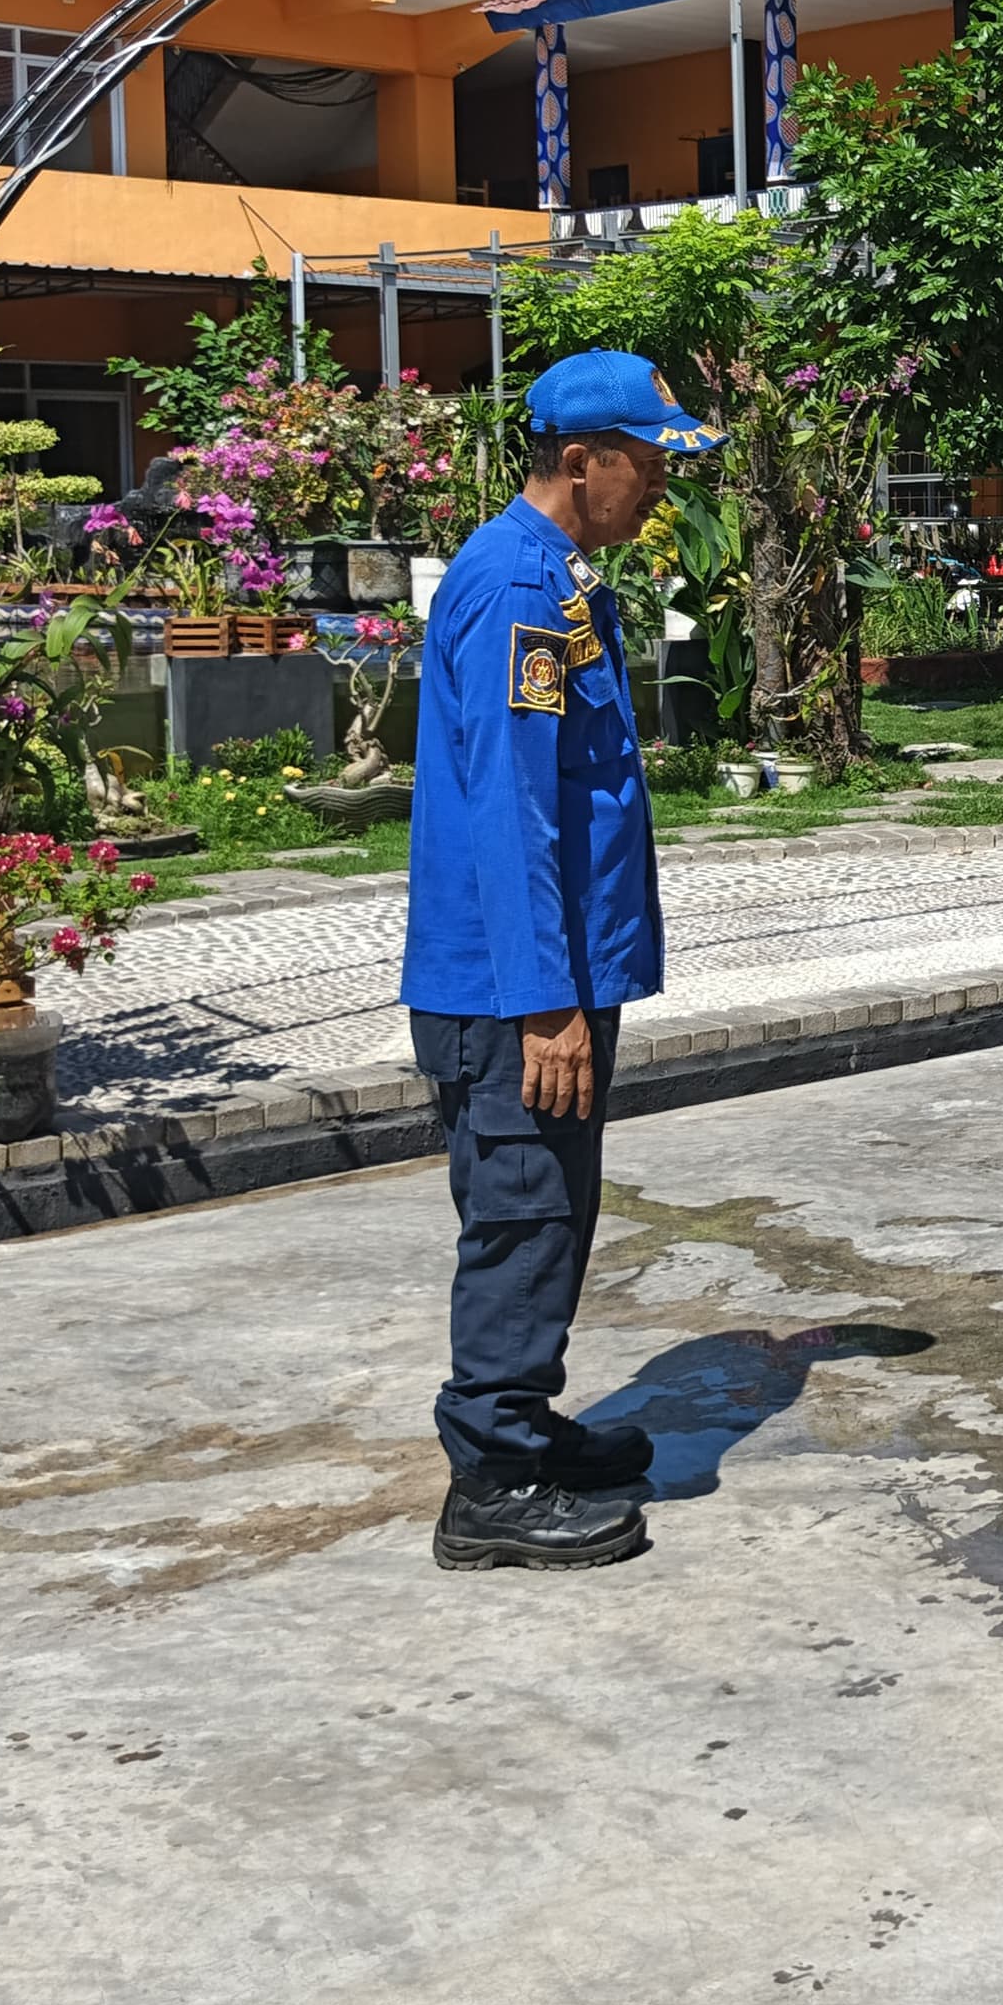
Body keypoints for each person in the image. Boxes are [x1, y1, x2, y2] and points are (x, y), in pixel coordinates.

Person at [401, 348, 719, 1572]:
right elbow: (508, 809)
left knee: (557, 1207)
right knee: (522, 1213)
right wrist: (544, 1004)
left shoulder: (563, 575)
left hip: (561, 971)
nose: (657, 489)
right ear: (580, 461)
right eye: (645, 466)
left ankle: (522, 1425)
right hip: (512, 984)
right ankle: (488, 1480)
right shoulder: (515, 587)